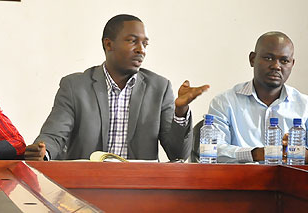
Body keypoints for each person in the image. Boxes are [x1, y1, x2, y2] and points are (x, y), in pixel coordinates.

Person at [25, 14, 209, 161]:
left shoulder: (159, 88)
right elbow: (54, 135)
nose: (141, 49)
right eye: (132, 41)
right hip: (86, 186)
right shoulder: (75, 86)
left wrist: (180, 110)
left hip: (140, 191)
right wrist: (44, 152)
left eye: (145, 44)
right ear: (108, 44)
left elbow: (178, 154)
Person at [208, 31, 308, 163]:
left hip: (290, 182)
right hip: (239, 181)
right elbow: (213, 151)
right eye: (268, 58)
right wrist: (255, 154)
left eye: (284, 61)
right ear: (252, 59)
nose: (276, 66)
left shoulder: (305, 106)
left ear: (292, 64)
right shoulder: (224, 102)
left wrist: (300, 153)